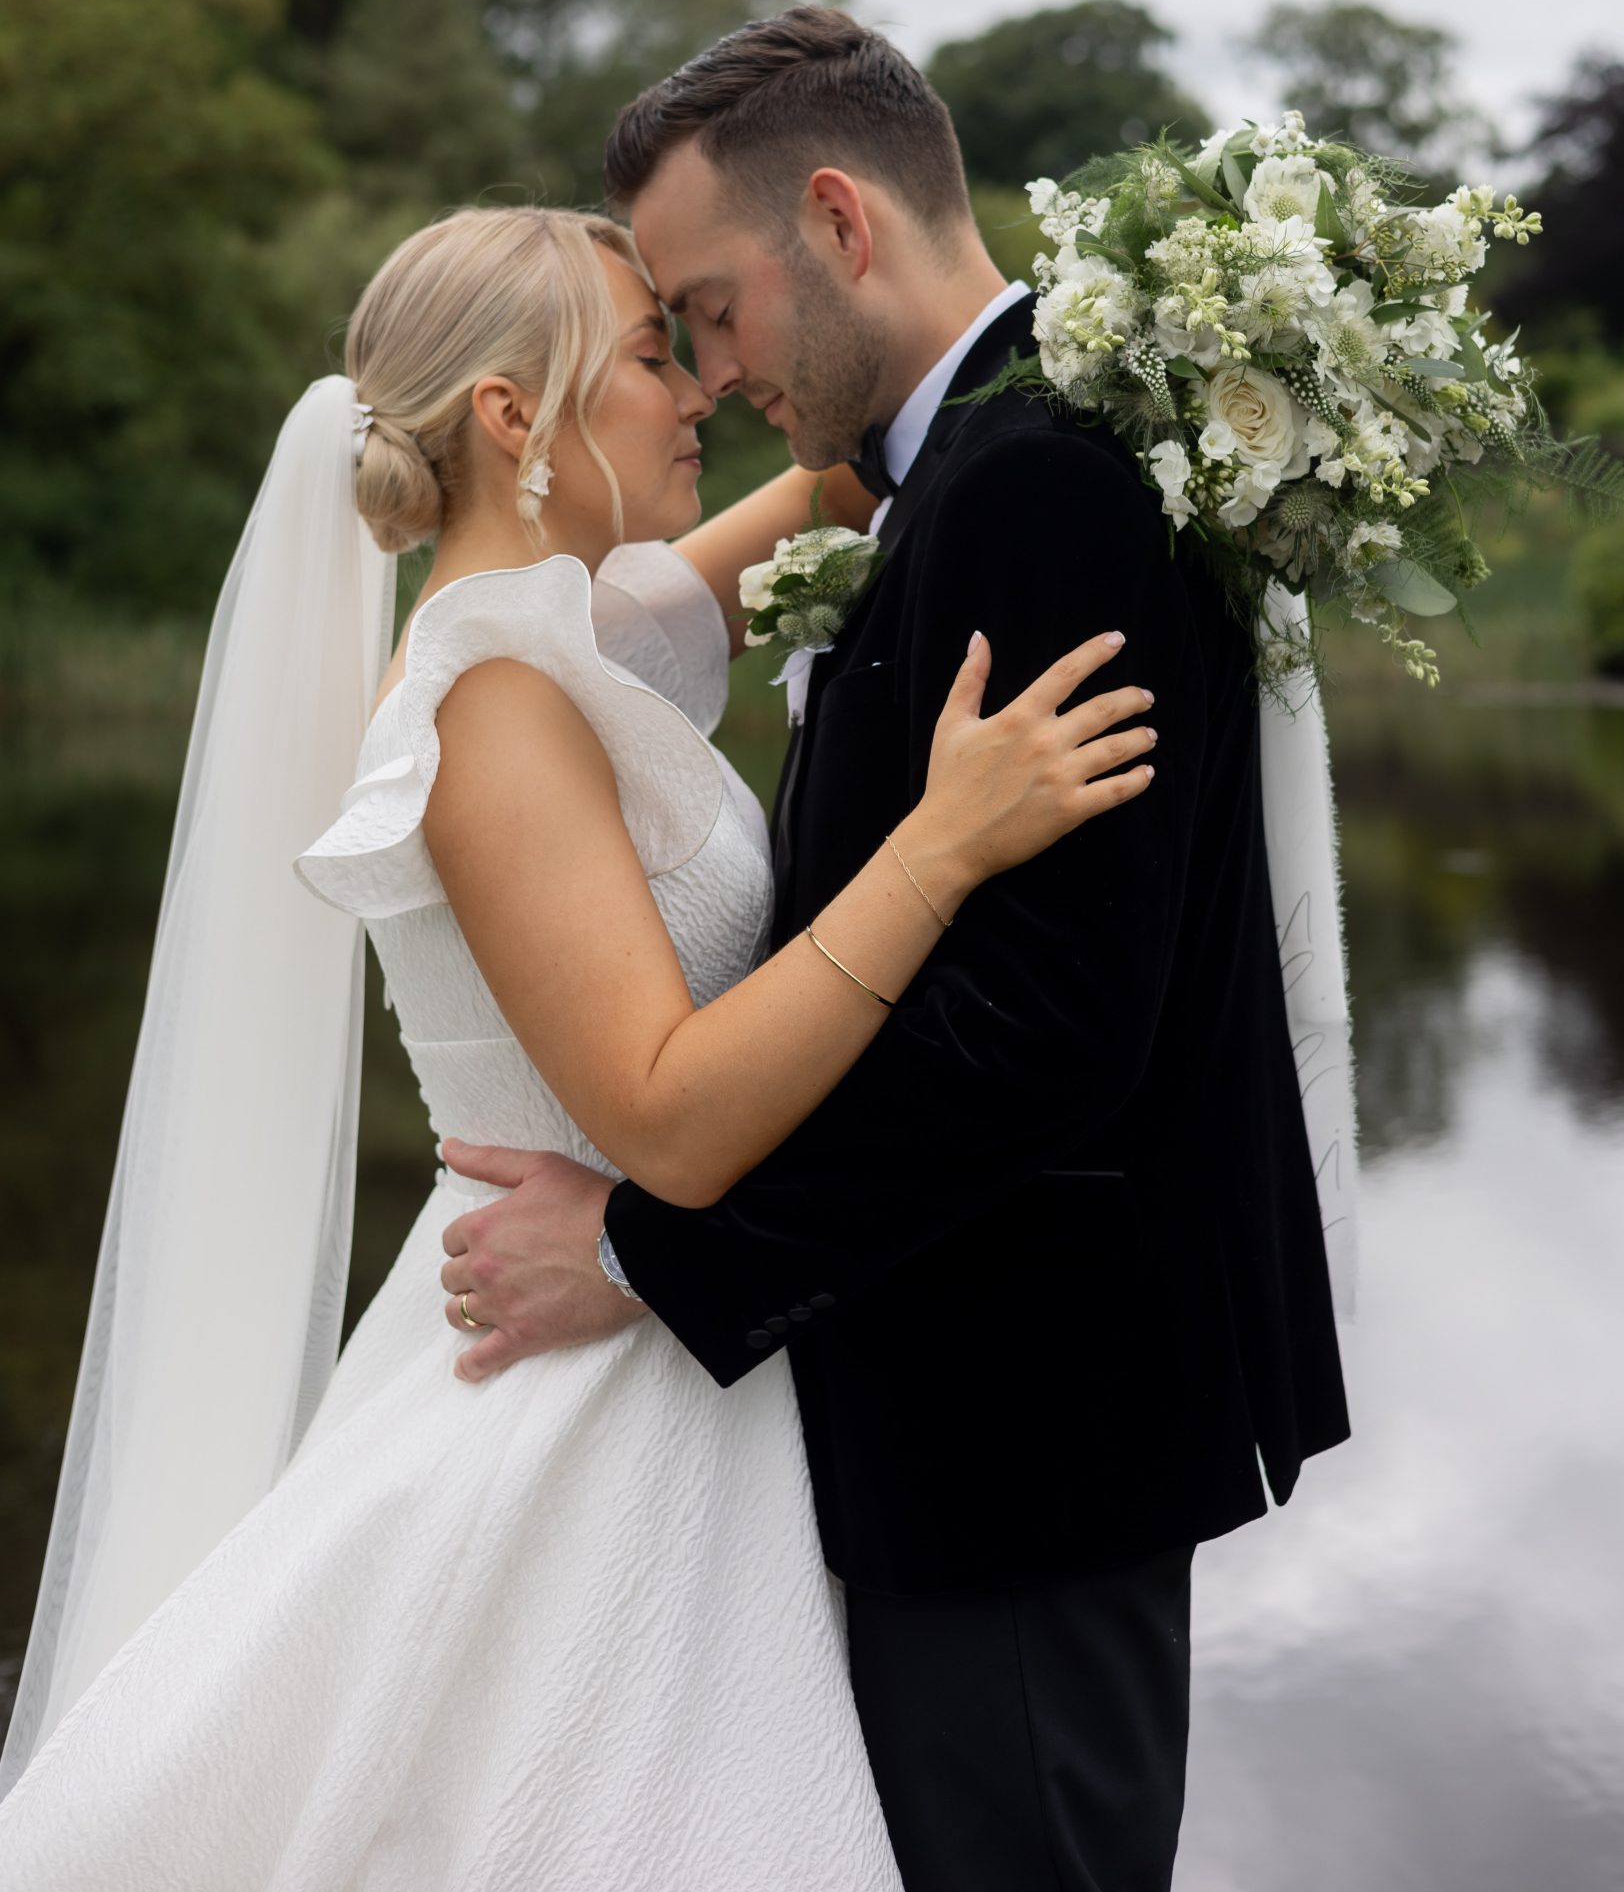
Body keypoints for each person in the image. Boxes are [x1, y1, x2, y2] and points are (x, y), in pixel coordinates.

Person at [0, 204, 1157, 1889]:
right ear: (507, 417)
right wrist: (941, 845)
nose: (695, 389)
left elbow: (852, 473)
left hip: (676, 1353)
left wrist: (1163, 335)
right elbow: (672, 1124)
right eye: (646, 353)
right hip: (583, 1407)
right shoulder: (490, 705)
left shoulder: (574, 638)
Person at [440, 10, 1353, 1892]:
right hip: (958, 1411)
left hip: (1023, 1426)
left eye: (707, 308)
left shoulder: (1034, 485)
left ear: (839, 227)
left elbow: (1041, 1033)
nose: (704, 369)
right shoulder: (961, 473)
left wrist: (648, 1254)